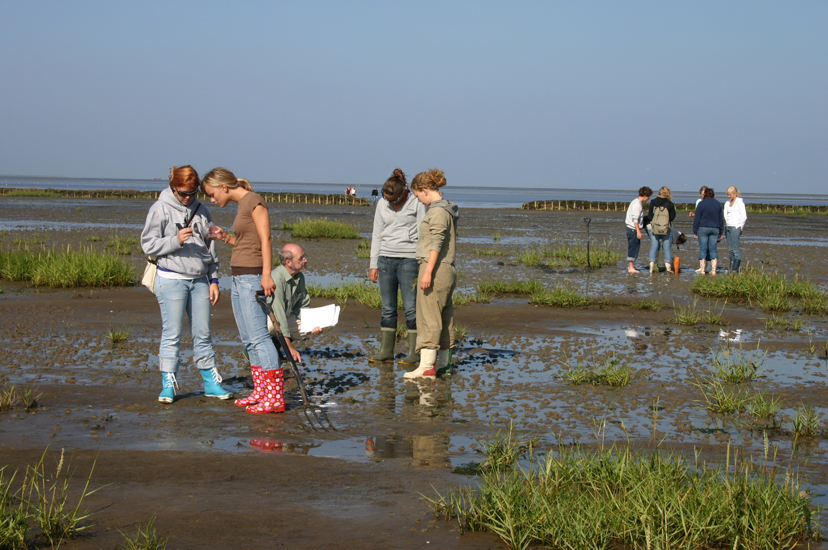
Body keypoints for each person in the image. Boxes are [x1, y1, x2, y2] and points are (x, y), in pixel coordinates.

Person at [140, 166, 232, 404]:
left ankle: (211, 383)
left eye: (192, 193)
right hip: (171, 278)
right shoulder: (160, 208)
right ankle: (168, 384)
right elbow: (148, 244)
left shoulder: (202, 211)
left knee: (203, 334)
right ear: (173, 188)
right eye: (183, 193)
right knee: (172, 334)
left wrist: (213, 279)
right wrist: (175, 240)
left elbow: (210, 248)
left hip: (200, 280)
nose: (188, 198)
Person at [201, 167, 284, 414]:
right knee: (248, 339)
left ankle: (275, 397)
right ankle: (261, 392)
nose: (212, 200)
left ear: (224, 186)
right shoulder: (242, 205)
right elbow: (248, 243)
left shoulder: (254, 201)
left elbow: (266, 239)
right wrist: (225, 237)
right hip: (238, 277)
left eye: (213, 194)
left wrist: (267, 274)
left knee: (259, 337)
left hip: (252, 277)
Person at [404, 168, 459, 379]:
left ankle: (427, 367)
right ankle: (444, 364)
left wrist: (427, 272)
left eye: (418, 196)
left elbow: (436, 244)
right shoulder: (447, 209)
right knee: (445, 317)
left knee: (429, 317)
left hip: (436, 268)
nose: (418, 201)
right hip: (447, 268)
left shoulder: (436, 212)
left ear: (425, 190)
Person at [368, 169, 427, 365]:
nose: (390, 203)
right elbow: (377, 234)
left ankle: (414, 352)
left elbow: (422, 233)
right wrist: (373, 264)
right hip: (385, 259)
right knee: (388, 308)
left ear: (403, 193)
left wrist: (423, 263)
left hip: (409, 260)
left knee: (411, 308)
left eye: (393, 200)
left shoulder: (417, 203)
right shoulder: (382, 203)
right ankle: (386, 351)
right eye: (387, 199)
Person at [266, 243, 323, 363]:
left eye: (304, 256)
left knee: (306, 328)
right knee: (273, 326)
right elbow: (279, 318)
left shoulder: (299, 277)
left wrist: (313, 326)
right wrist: (290, 349)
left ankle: (276, 344)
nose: (305, 260)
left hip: (283, 318)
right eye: (301, 258)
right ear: (288, 262)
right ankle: (262, 347)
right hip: (268, 320)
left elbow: (302, 307)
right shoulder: (276, 278)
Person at [693, 187, 725, 275]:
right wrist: (721, 232)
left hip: (703, 228)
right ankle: (713, 270)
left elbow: (697, 219)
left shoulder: (702, 204)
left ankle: (702, 269)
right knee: (713, 249)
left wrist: (695, 231)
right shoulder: (718, 204)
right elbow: (720, 219)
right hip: (715, 229)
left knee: (703, 249)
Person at [644, 186, 677, 273]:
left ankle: (651, 265)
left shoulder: (653, 202)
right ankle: (668, 267)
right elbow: (672, 217)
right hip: (666, 228)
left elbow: (650, 216)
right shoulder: (670, 204)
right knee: (666, 247)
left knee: (654, 246)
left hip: (654, 228)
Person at [624, 187, 652, 274]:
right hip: (633, 229)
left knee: (633, 246)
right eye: (648, 197)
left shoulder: (635, 201)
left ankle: (630, 266)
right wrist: (638, 231)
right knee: (634, 247)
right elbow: (635, 219)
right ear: (645, 195)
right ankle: (631, 267)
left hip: (630, 228)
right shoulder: (637, 204)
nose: (648, 199)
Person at [723, 186, 747, 272]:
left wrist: (740, 227)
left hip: (735, 227)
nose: (729, 196)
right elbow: (725, 215)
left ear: (735, 194)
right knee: (730, 249)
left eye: (730, 195)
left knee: (735, 248)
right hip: (728, 227)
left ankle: (735, 268)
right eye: (728, 195)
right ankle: (731, 266)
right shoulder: (727, 203)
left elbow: (744, 217)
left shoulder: (740, 203)